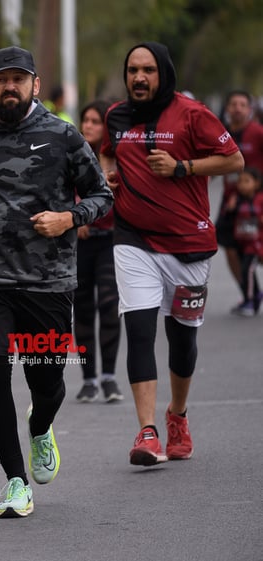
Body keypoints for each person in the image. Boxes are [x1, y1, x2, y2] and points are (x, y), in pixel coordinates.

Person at [0, 46, 113, 518]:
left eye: (20, 79)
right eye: (2, 79)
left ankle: (41, 425)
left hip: (47, 280)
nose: (10, 87)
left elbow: (101, 195)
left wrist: (68, 218)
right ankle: (15, 481)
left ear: (34, 84)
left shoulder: (63, 136)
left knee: (46, 381)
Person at [99, 42, 244, 467]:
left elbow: (232, 159)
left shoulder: (192, 114)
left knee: (182, 341)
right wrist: (109, 174)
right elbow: (108, 149)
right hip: (133, 239)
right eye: (132, 70)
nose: (139, 77)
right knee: (140, 331)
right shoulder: (116, 116)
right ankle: (147, 432)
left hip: (188, 243)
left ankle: (177, 414)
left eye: (147, 70)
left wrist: (183, 167)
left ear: (162, 73)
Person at [73, 100, 124, 403]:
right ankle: (89, 379)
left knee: (108, 304)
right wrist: (74, 215)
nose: (89, 125)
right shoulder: (72, 155)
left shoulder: (117, 159)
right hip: (79, 244)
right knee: (82, 309)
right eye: (86, 120)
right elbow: (57, 192)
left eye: (96, 121)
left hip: (111, 241)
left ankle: (109, 377)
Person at [215, 91, 263, 306]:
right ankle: (249, 294)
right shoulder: (220, 133)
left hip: (255, 204)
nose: (237, 108)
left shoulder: (257, 133)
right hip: (230, 203)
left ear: (249, 109)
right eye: (233, 104)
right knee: (228, 245)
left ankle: (252, 295)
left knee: (253, 248)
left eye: (242, 104)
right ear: (227, 109)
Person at [222, 167, 263, 316]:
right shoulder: (237, 199)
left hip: (256, 244)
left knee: (247, 269)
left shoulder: (260, 199)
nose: (242, 185)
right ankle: (255, 294)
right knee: (246, 271)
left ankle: (250, 300)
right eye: (240, 181)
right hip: (242, 243)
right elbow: (229, 218)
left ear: (257, 183)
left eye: (247, 181)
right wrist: (230, 208)